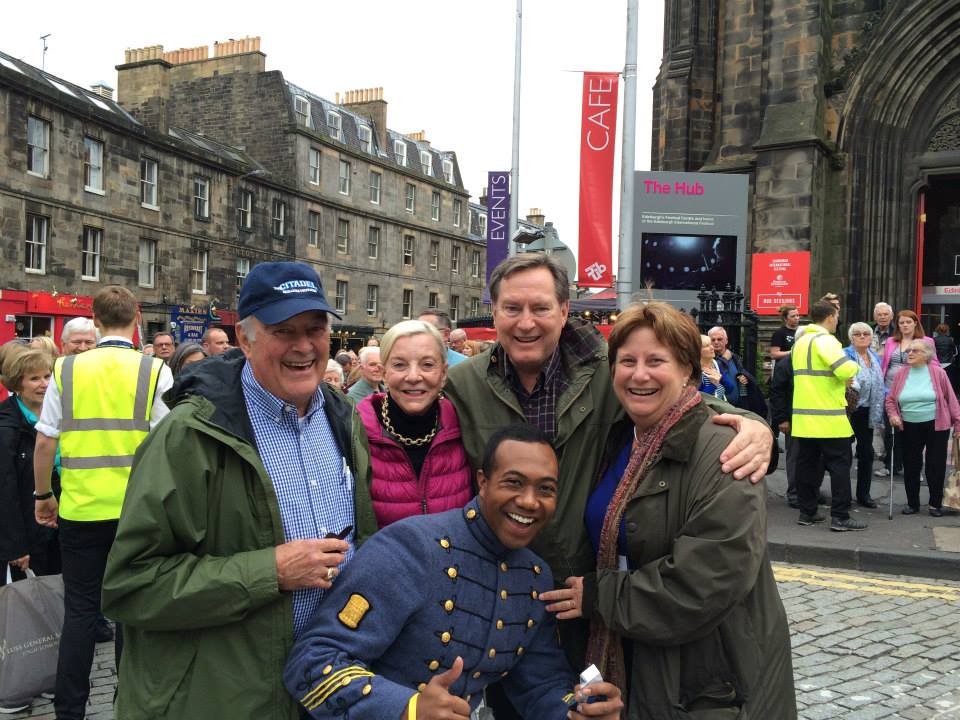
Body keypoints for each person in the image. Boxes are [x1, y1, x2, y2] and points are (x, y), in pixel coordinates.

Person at [445, 253, 773, 676]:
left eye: (541, 308)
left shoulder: (606, 371)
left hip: (585, 594)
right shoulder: (462, 384)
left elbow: (679, 402)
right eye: (512, 308)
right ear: (495, 311)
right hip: (503, 591)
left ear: (564, 311)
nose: (526, 322)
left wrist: (753, 424)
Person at [101, 262, 376, 720]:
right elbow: (129, 585)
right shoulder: (190, 434)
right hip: (223, 698)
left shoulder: (344, 416)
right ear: (245, 339)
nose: (304, 346)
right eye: (283, 331)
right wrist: (272, 570)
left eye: (315, 328)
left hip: (326, 689)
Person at [539, 301, 795, 718]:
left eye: (657, 360)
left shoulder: (724, 450)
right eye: (627, 361)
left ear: (688, 371)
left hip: (710, 680)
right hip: (637, 655)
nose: (639, 374)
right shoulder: (621, 438)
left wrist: (600, 595)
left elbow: (704, 583)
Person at [284, 424, 624, 720]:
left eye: (546, 489)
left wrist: (578, 710)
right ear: (482, 482)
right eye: (513, 482)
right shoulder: (412, 548)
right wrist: (407, 708)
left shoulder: (534, 577)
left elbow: (540, 682)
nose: (530, 502)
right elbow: (313, 662)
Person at [33, 286, 172, 720]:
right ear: (137, 321)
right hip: (137, 513)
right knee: (131, 613)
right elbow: (170, 444)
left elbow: (44, 442)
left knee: (79, 613)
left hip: (80, 510)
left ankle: (69, 710)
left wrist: (43, 495)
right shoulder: (155, 371)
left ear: (94, 320)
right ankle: (126, 702)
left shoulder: (65, 371)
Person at [356, 320, 471, 528]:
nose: (413, 376)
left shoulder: (464, 426)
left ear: (443, 373)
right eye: (399, 365)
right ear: (383, 373)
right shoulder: (355, 433)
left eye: (427, 365)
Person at [0, 348, 60, 713]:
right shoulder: (7, 426)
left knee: (53, 603)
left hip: (56, 529)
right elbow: (4, 490)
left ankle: (49, 672)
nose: (43, 384)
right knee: (22, 615)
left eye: (47, 376)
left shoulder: (55, 414)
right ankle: (18, 684)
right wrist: (14, 544)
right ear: (16, 383)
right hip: (23, 533)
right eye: (34, 378)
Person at [791, 301, 866, 531]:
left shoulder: (801, 342)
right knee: (839, 466)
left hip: (804, 418)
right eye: (837, 315)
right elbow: (844, 370)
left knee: (807, 466)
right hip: (829, 418)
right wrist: (854, 366)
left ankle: (808, 512)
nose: (838, 320)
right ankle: (841, 516)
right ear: (831, 316)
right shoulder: (826, 341)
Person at [885, 339, 960, 516]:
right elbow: (890, 400)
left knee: (935, 465)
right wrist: (893, 415)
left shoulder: (938, 373)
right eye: (909, 350)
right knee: (911, 464)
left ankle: (935, 504)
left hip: (936, 424)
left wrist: (958, 424)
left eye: (915, 351)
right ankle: (913, 503)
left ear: (926, 355)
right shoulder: (901, 374)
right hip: (909, 425)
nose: (910, 353)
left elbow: (951, 399)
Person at [880, 310, 937, 476]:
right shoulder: (891, 341)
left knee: (913, 435)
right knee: (892, 433)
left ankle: (914, 468)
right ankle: (892, 465)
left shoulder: (927, 341)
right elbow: (885, 364)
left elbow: (934, 365)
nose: (904, 325)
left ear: (915, 323)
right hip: (889, 391)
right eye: (901, 322)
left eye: (908, 322)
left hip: (914, 393)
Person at [843, 323, 884, 508]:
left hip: (868, 410)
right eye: (857, 334)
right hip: (849, 410)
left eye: (866, 334)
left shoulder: (874, 357)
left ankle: (863, 494)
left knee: (866, 453)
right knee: (844, 453)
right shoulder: (845, 354)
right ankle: (842, 494)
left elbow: (879, 384)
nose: (862, 337)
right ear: (851, 337)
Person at [707, 326, 746, 404]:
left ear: (726, 340)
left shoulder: (734, 357)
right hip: (718, 405)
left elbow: (741, 374)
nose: (716, 342)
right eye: (713, 340)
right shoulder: (707, 359)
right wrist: (724, 359)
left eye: (719, 339)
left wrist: (743, 377)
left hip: (738, 404)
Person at [698, 333, 734, 400]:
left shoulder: (715, 364)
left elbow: (730, 388)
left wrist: (721, 378)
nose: (712, 348)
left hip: (720, 407)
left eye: (711, 344)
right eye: (706, 346)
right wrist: (714, 384)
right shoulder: (696, 371)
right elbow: (699, 399)